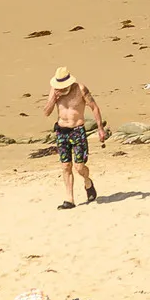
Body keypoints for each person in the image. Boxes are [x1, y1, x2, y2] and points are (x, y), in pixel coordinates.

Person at [40, 67, 107, 208]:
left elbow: (94, 107)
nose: (61, 88)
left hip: (77, 131)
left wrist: (100, 129)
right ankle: (69, 199)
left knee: (79, 167)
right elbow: (46, 112)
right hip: (61, 132)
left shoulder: (80, 89)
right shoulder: (54, 90)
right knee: (66, 166)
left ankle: (87, 182)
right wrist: (54, 99)